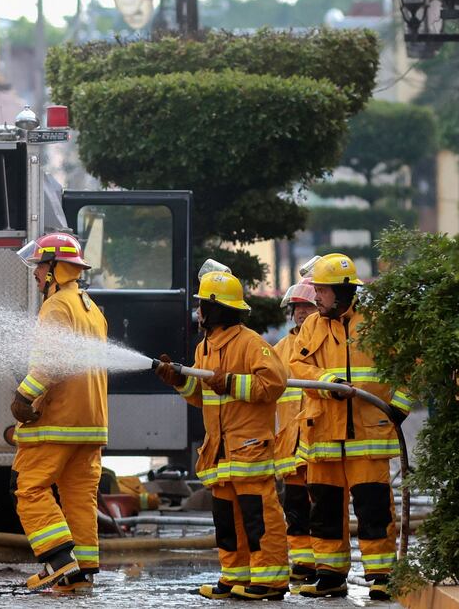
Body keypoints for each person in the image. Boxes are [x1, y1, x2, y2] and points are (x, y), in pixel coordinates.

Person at [155, 266, 289, 601]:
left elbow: (274, 383)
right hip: (221, 453)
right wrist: (180, 382)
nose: (198, 311)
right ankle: (234, 577)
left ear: (215, 309)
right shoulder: (205, 348)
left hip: (249, 449)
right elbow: (203, 396)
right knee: (227, 521)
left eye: (202, 305)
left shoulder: (250, 343)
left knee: (259, 518)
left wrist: (230, 382)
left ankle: (270, 581)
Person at [288, 254, 412, 601]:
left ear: (342, 291)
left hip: (368, 435)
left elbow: (410, 364)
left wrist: (400, 406)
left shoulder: (377, 322)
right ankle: (330, 575)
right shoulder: (312, 326)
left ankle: (382, 576)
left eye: (322, 291)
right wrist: (326, 381)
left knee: (373, 509)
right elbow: (296, 365)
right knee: (324, 510)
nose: (316, 298)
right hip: (324, 435)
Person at [10, 233, 108, 592]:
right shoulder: (90, 307)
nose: (35, 273)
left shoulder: (56, 306)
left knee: (28, 487)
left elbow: (52, 362)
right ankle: (79, 575)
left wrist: (24, 396)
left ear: (55, 268)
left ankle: (59, 561)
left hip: (58, 421)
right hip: (90, 424)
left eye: (40, 266)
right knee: (79, 497)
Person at [272, 278, 319, 585]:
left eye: (308, 306)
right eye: (297, 307)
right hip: (290, 447)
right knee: (295, 507)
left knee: (323, 507)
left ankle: (326, 562)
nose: (301, 313)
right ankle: (302, 562)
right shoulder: (278, 351)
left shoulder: (326, 344)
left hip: (320, 444)